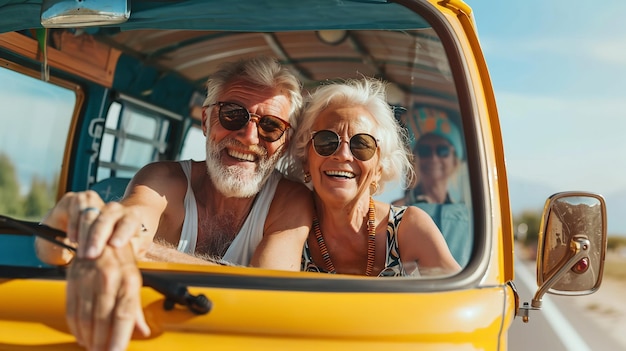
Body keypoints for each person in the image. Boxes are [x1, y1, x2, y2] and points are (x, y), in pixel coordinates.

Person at [35, 55, 315, 351]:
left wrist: (138, 250)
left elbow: (267, 292)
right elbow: (131, 223)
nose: (248, 137)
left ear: (284, 142)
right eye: (233, 114)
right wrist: (86, 228)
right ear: (206, 121)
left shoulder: (290, 200)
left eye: (270, 126)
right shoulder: (163, 179)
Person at [281, 77, 461, 277]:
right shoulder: (288, 228)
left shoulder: (409, 227)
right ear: (306, 159)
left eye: (361, 144)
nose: (343, 154)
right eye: (326, 141)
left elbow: (466, 297)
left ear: (379, 167)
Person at [394, 108, 472, 267]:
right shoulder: (397, 209)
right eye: (424, 151)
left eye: (442, 150)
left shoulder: (472, 214)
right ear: (415, 159)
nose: (433, 158)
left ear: (455, 160)